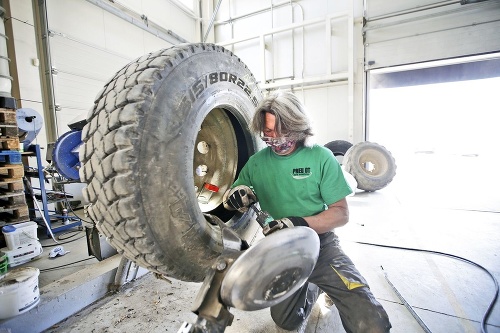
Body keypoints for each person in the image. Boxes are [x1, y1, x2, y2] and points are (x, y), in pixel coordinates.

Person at [223, 91, 392, 332]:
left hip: (322, 245)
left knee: (371, 323)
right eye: (267, 133)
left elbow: (340, 214)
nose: (273, 139)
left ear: (297, 127)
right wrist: (234, 196)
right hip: (282, 250)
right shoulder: (257, 163)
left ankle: (322, 282)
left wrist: (297, 222)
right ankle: (313, 286)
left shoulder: (320, 157)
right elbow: (231, 200)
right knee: (287, 320)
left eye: (280, 132)